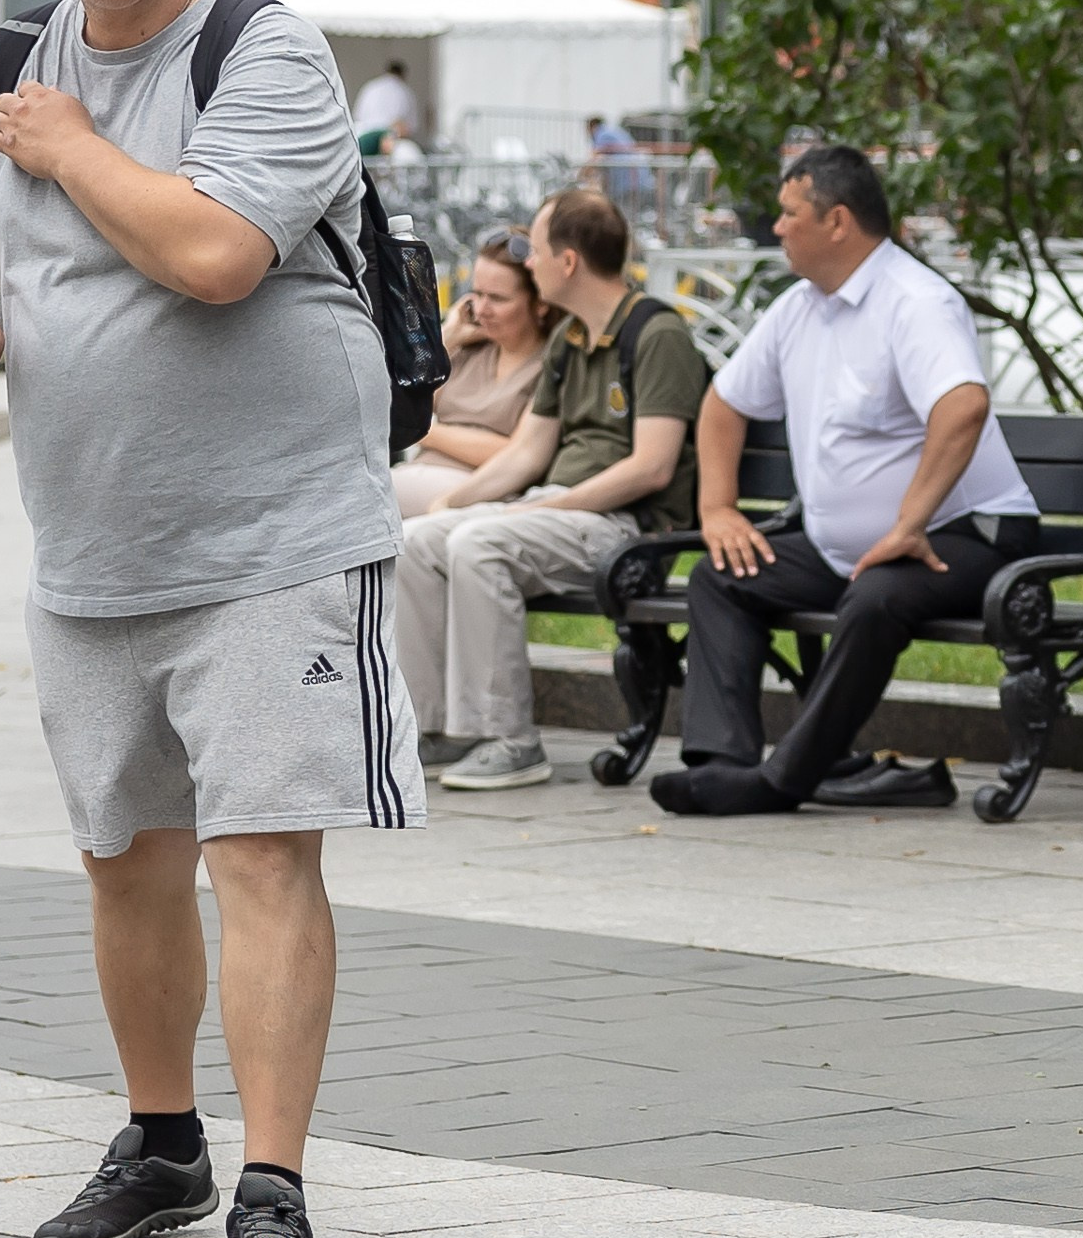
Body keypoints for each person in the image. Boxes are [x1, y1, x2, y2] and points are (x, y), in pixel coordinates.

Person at [0, 0, 419, 1238]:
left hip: (273, 530)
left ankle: (276, 1189)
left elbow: (213, 254)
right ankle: (162, 1145)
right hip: (89, 544)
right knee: (125, 859)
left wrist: (68, 149)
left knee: (260, 851)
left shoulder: (262, 50)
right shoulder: (8, 63)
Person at [650, 145, 1040, 818]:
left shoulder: (915, 301)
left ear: (837, 222)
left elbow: (963, 405)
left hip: (966, 534)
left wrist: (908, 523)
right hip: (851, 550)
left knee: (876, 597)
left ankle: (782, 782)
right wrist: (717, 508)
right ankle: (723, 762)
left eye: (789, 214)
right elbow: (724, 404)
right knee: (722, 576)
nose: (776, 228)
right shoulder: (801, 307)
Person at [395, 188, 702, 791]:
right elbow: (529, 453)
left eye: (535, 252)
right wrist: (451, 503)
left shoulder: (658, 334)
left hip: (628, 530)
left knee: (479, 546)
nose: (529, 265)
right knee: (417, 540)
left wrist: (553, 501)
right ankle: (430, 730)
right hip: (561, 514)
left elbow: (652, 468)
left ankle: (511, 739)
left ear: (568, 262)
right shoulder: (573, 339)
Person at [392, 230, 553, 516]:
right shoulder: (468, 350)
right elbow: (399, 406)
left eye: (498, 298)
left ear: (539, 304)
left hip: (475, 492)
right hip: (417, 477)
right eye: (477, 294)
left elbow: (516, 453)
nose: (482, 309)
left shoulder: (548, 365)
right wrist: (448, 338)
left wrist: (425, 431)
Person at [352, 60, 420, 142]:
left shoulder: (370, 87)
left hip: (363, 137)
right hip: (387, 141)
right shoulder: (405, 91)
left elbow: (357, 116)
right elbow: (410, 127)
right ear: (402, 75)